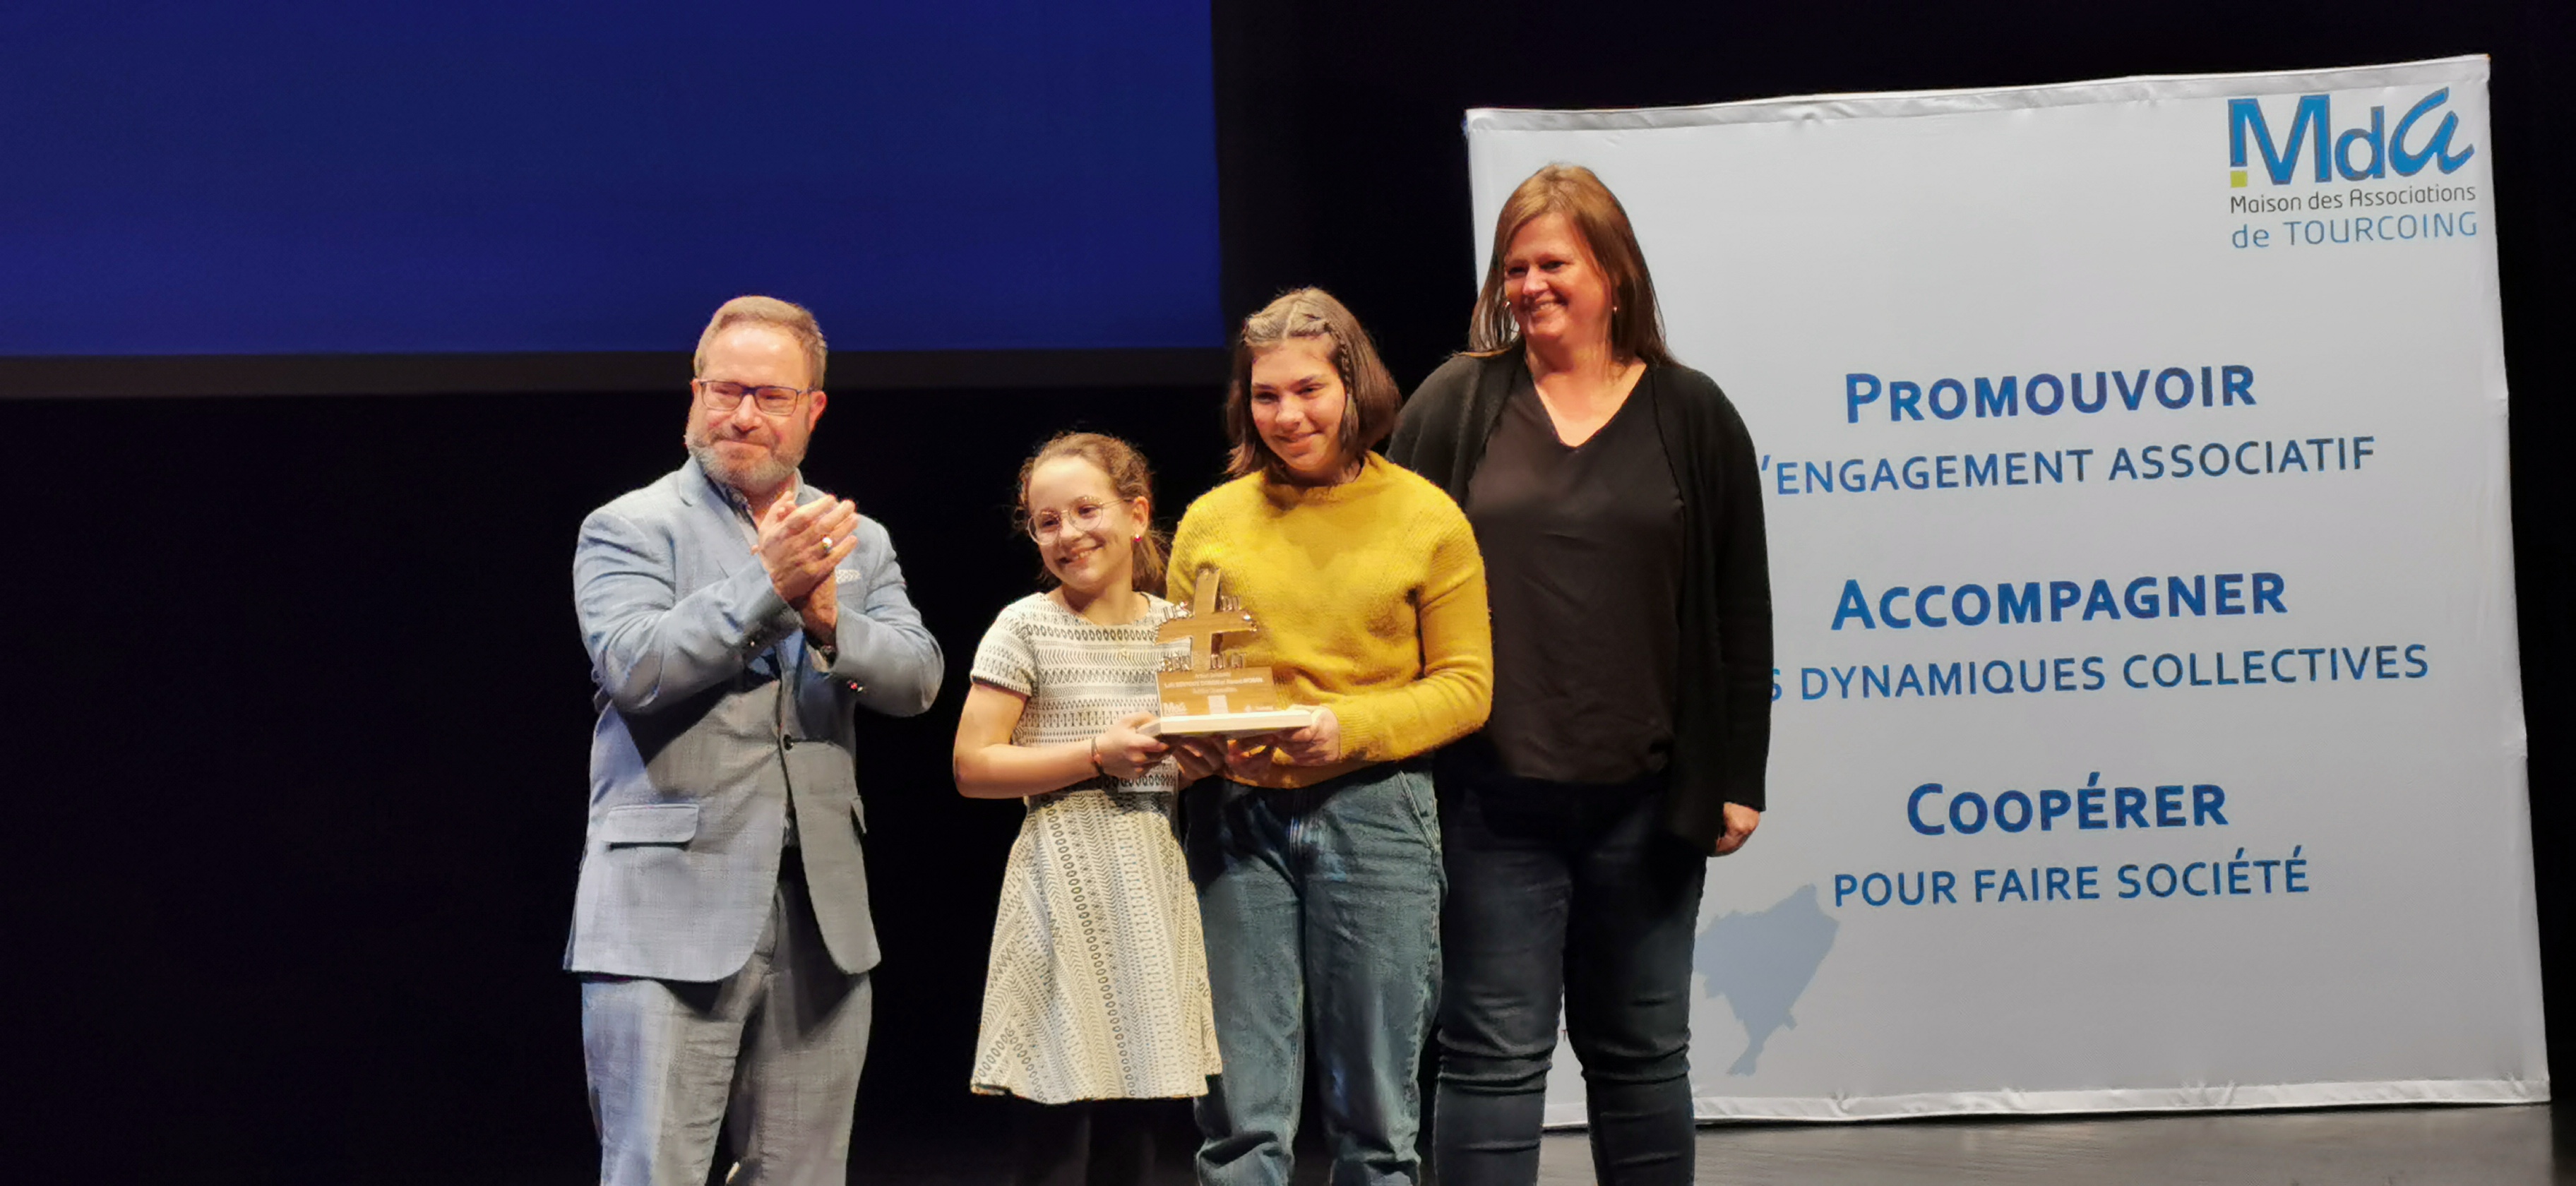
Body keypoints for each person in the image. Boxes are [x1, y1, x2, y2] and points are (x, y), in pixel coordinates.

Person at [1386, 164, 1773, 1185]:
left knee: (1643, 1057)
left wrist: (1739, 775)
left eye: (1553, 263)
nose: (1530, 286)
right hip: (1487, 801)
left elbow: (1740, 606)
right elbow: (1391, 578)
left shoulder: (1693, 413)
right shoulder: (1456, 403)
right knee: (1490, 1057)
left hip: (1649, 804)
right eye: (1514, 268)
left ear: (1614, 273)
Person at [568, 295, 943, 1186]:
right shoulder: (629, 526)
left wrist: (831, 622)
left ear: (813, 409)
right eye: (725, 390)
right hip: (666, 909)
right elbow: (636, 667)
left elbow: (919, 678)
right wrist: (767, 585)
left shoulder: (859, 540)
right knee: (654, 1170)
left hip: (820, 913)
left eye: (770, 396)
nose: (742, 415)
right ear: (694, 394)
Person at [1171, 287, 1493, 1186]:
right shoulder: (1211, 522)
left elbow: (1468, 687)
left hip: (1377, 814)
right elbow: (1192, 680)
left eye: (1308, 390)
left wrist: (1346, 729)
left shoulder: (1426, 517)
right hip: (1237, 822)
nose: (1287, 415)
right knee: (1239, 1120)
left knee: (1378, 1123)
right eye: (1266, 396)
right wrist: (1199, 741)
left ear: (1355, 387)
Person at [952, 431, 1224, 1185]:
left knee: (1134, 1136)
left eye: (1084, 510)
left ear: (1136, 515)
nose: (1068, 533)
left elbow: (1187, 760)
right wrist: (1096, 755)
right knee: (1054, 1127)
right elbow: (973, 765)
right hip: (1059, 889)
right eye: (1047, 521)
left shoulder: (1178, 631)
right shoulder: (1025, 626)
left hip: (1149, 890)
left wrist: (1199, 766)